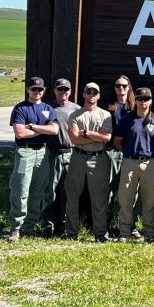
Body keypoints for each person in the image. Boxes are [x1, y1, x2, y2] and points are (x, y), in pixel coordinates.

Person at [8, 76, 58, 242]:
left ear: (44, 91)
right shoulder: (21, 109)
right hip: (25, 153)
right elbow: (20, 133)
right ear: (28, 90)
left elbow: (55, 130)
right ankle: (16, 228)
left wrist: (34, 127)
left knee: (37, 192)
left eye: (40, 89)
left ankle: (29, 227)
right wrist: (43, 130)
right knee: (21, 190)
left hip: (42, 154)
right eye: (34, 89)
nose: (37, 92)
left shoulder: (48, 108)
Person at [113, 87, 154, 243]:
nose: (143, 102)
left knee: (150, 198)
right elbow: (117, 141)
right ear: (135, 100)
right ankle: (124, 232)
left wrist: (149, 152)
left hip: (148, 162)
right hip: (129, 161)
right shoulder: (127, 119)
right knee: (125, 198)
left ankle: (149, 233)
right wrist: (129, 153)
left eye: (146, 99)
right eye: (140, 99)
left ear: (151, 101)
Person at [64, 82, 113, 242]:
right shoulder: (75, 115)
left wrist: (86, 133)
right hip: (78, 157)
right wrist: (95, 136)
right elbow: (73, 138)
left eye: (95, 92)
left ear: (98, 95)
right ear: (83, 94)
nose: (91, 95)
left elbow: (106, 138)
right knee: (73, 196)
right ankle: (71, 233)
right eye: (88, 92)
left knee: (99, 198)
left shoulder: (105, 115)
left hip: (98, 158)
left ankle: (100, 234)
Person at [41, 78, 80, 237]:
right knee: (49, 192)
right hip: (52, 153)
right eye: (60, 89)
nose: (63, 93)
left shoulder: (76, 109)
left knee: (68, 193)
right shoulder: (47, 107)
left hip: (71, 153)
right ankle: (47, 227)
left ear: (70, 91)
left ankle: (64, 227)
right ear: (55, 91)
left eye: (66, 90)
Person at [106, 75, 139, 238]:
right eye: (117, 85)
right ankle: (107, 224)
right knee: (110, 190)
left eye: (124, 86)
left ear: (129, 87)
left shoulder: (135, 107)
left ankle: (129, 225)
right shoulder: (108, 107)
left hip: (130, 154)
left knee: (130, 191)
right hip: (112, 152)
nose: (121, 89)